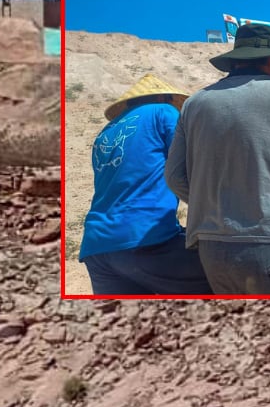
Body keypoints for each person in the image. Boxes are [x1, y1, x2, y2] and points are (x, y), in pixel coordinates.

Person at [166, 23, 270, 295]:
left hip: (212, 250)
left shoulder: (195, 103)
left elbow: (175, 176)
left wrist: (216, 205)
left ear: (236, 61)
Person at [79, 74, 213, 295]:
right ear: (162, 96)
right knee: (225, 276)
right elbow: (193, 163)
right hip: (144, 238)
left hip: (97, 248)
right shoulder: (163, 112)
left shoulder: (104, 133)